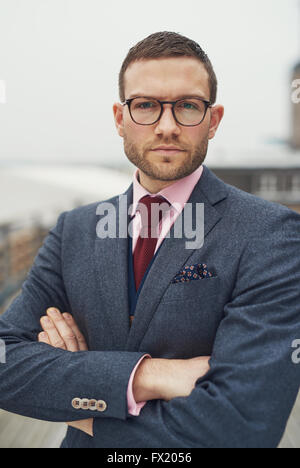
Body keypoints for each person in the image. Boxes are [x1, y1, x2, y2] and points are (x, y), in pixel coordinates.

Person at [0, 31, 300, 449]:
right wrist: (149, 374)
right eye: (145, 105)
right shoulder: (75, 230)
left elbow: (243, 424)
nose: (166, 126)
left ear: (213, 121)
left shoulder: (271, 234)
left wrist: (82, 400)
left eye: (188, 106)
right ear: (119, 118)